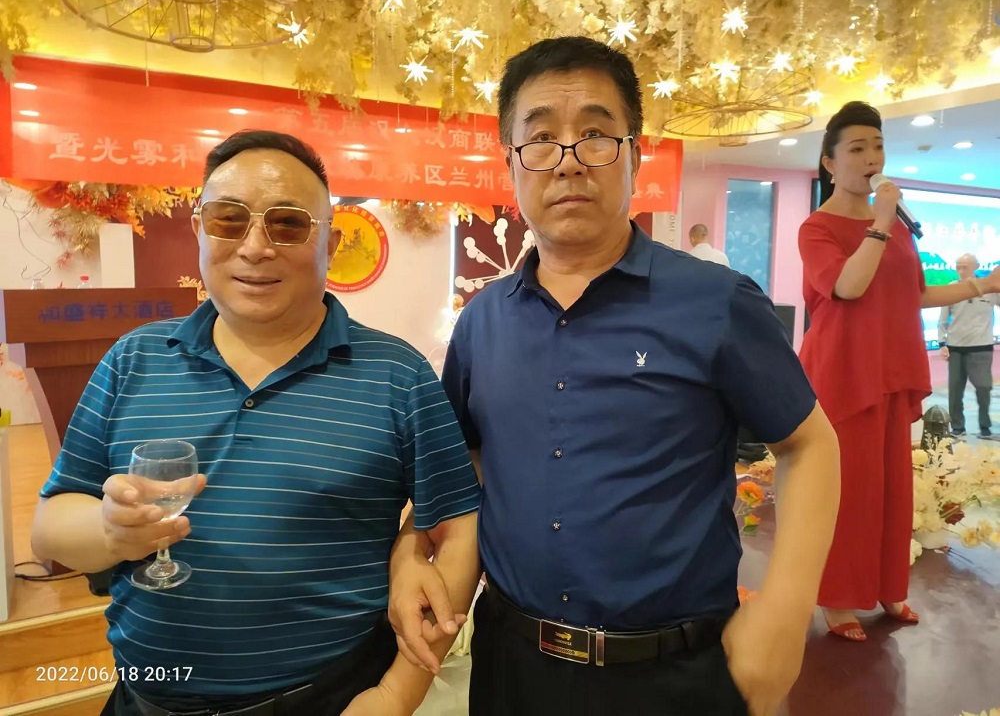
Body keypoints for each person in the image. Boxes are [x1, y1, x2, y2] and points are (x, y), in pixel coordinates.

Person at [392, 36, 841, 716]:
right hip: (513, 666)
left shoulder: (716, 302)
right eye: (541, 139)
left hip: (673, 675)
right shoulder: (483, 322)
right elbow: (465, 467)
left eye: (596, 135)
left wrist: (784, 611)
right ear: (511, 163)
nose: (569, 160)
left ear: (635, 155)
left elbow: (809, 444)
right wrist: (410, 549)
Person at [30, 130, 482, 716]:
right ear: (199, 229)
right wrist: (111, 533)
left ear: (330, 243)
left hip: (332, 697)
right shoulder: (133, 360)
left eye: (288, 224)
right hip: (144, 698)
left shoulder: (396, 374)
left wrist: (396, 695)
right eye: (229, 219)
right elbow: (51, 524)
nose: (255, 247)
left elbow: (458, 526)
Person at [799, 101, 1000, 641]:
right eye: (857, 148)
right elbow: (848, 286)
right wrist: (882, 223)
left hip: (891, 368)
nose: (872, 158)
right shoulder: (817, 228)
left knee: (892, 487)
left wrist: (983, 285)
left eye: (878, 146)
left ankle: (888, 587)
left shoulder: (897, 230)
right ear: (829, 163)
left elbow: (915, 294)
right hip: (844, 374)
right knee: (851, 491)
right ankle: (839, 598)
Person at [938, 253, 999, 439]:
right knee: (955, 390)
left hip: (981, 346)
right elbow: (943, 319)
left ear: (976, 267)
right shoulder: (952, 288)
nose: (961, 270)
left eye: (965, 266)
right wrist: (942, 343)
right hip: (956, 347)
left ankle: (985, 426)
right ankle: (957, 426)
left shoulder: (989, 289)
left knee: (983, 387)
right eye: (958, 266)